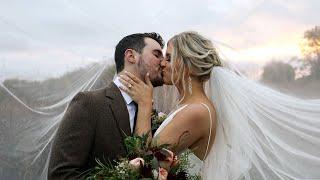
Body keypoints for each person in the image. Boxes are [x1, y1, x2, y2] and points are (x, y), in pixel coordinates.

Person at [119, 31, 320, 179]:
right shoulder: (191, 106)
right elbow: (175, 165)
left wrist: (145, 105)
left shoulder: (197, 111)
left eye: (170, 58)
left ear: (188, 66)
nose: (163, 63)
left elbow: (143, 160)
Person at [48, 32, 165, 179]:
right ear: (131, 56)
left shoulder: (151, 113)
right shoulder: (89, 103)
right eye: (157, 55)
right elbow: (60, 175)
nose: (163, 62)